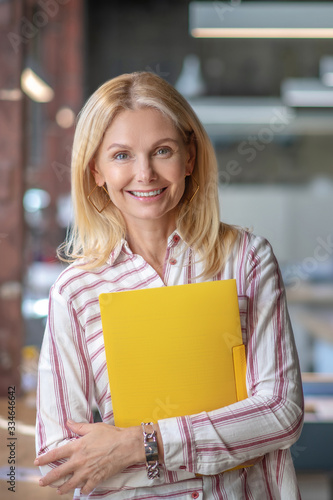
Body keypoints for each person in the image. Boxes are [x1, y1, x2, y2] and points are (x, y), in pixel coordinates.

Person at [35, 71, 304, 499]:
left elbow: (280, 412)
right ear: (96, 171)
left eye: (162, 151)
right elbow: (61, 457)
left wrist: (139, 443)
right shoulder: (76, 291)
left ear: (190, 157)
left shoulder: (246, 259)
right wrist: (223, 437)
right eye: (121, 155)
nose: (145, 173)